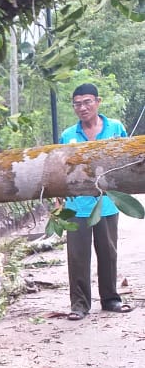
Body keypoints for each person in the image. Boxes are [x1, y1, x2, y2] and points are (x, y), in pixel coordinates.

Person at [58, 83, 130, 320]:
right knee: (77, 256)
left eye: (87, 101)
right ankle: (79, 305)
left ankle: (110, 299)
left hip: (106, 205)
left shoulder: (115, 128)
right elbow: (61, 170)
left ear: (97, 102)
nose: (82, 107)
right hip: (76, 206)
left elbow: (127, 162)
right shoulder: (68, 136)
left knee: (108, 252)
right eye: (77, 103)